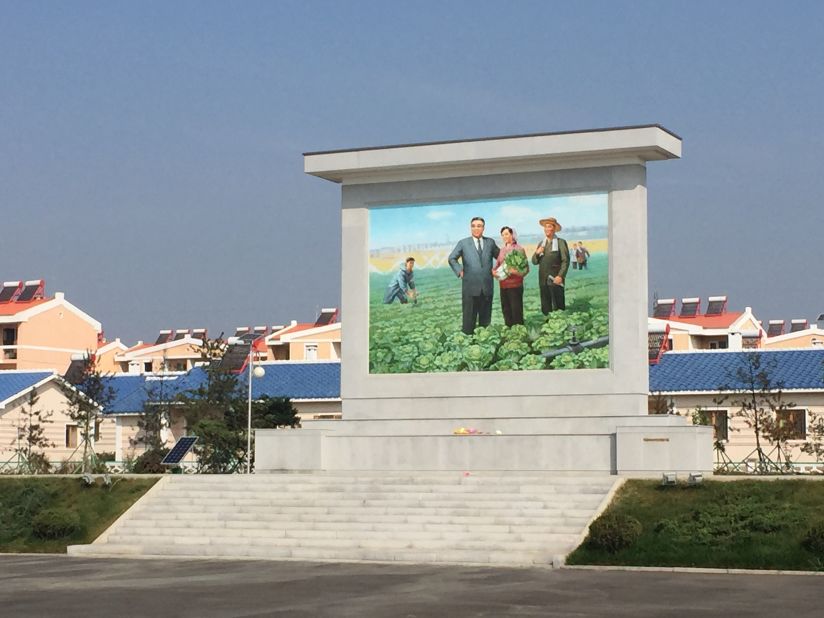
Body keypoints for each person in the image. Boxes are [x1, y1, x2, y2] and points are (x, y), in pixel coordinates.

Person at [448, 217, 500, 334]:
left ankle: (484, 343)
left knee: (485, 322)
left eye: (479, 226)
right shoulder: (463, 243)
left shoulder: (490, 242)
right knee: (468, 322)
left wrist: (499, 270)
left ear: (483, 228)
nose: (476, 228)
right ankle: (468, 343)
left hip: (487, 288)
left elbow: (501, 257)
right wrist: (460, 271)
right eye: (474, 226)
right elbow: (452, 258)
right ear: (471, 227)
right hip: (470, 289)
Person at [531, 216, 569, 314]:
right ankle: (547, 324)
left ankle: (561, 324)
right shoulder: (541, 244)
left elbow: (565, 261)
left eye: (549, 226)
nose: (547, 229)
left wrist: (560, 276)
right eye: (545, 227)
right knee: (546, 304)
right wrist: (537, 253)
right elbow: (534, 262)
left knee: (558, 303)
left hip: (555, 278)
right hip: (543, 279)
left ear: (554, 229)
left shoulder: (561, 242)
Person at [493, 226, 529, 327]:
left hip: (515, 286)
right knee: (506, 310)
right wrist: (493, 272)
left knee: (516, 311)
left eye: (507, 234)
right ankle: (510, 333)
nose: (504, 236)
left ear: (512, 235)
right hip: (503, 286)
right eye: (503, 235)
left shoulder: (519, 249)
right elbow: (497, 265)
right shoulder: (502, 250)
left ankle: (519, 333)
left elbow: (526, 270)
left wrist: (515, 271)